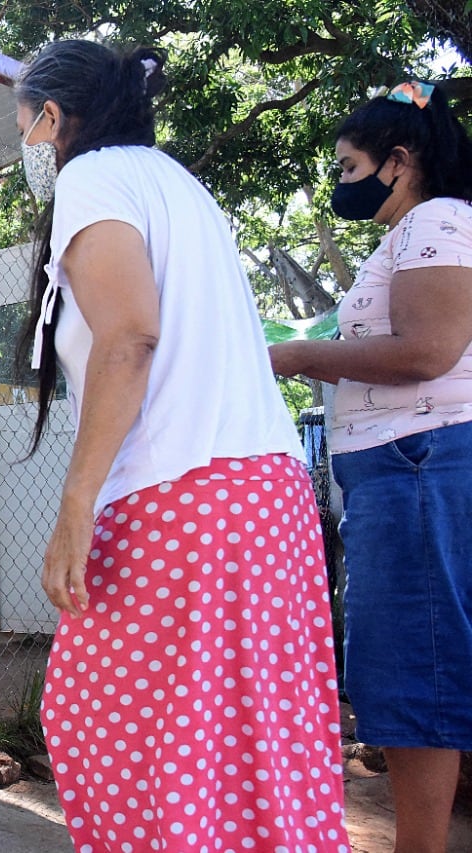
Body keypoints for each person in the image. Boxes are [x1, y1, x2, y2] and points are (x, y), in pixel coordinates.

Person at [14, 40, 348, 850]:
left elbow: (130, 336)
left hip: (183, 499)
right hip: (265, 496)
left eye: (22, 126)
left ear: (54, 119)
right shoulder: (181, 188)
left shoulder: (92, 178)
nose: (23, 147)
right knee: (249, 743)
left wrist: (75, 503)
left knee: (111, 729)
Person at [270, 80, 472, 853]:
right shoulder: (415, 231)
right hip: (403, 468)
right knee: (420, 668)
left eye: (350, 166)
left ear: (399, 159)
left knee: (416, 674)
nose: (341, 183)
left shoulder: (435, 220)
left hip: (417, 465)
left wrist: (289, 356)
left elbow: (426, 351)